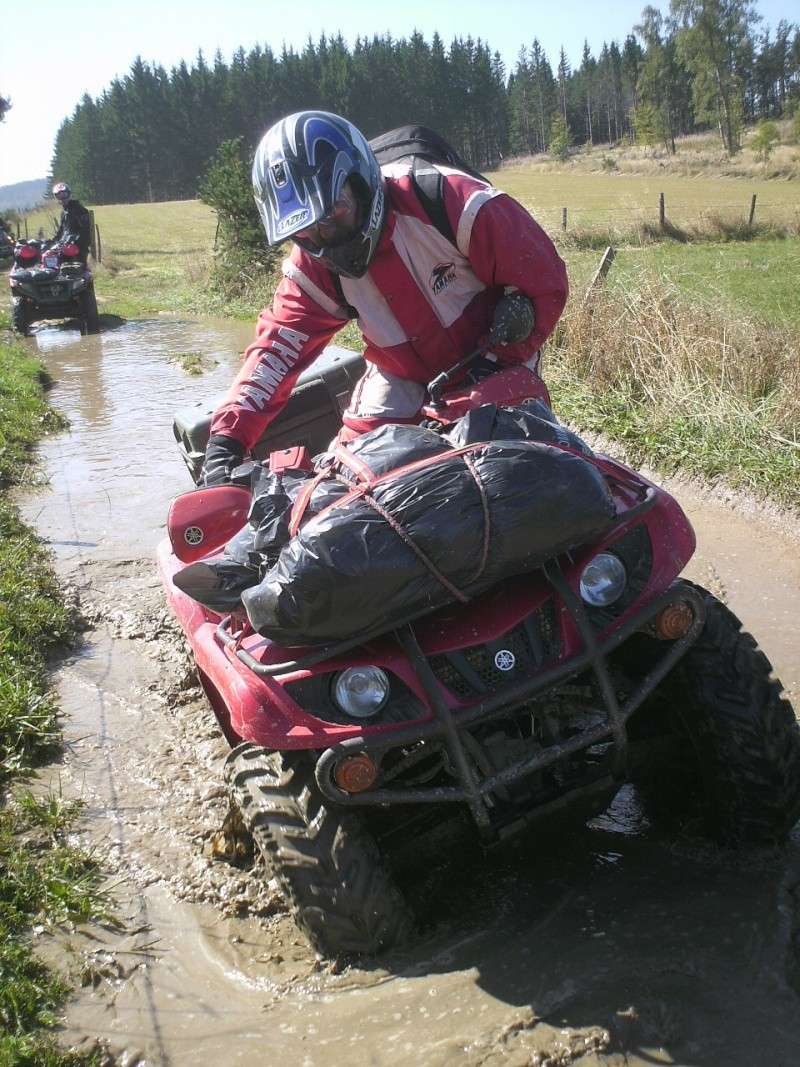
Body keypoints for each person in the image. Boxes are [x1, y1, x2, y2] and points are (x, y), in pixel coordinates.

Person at [202, 111, 569, 486]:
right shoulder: (313, 266)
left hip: (493, 358)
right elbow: (277, 349)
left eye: (332, 214)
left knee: (504, 469)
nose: (323, 235)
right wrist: (226, 441)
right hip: (399, 372)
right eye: (307, 229)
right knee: (344, 479)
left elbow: (542, 281)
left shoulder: (451, 200)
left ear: (360, 181)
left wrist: (496, 359)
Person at [51, 182, 91, 263]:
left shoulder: (80, 210)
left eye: (64, 195)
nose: (62, 199)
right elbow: (61, 231)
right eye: (59, 196)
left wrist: (74, 243)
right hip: (64, 248)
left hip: (77, 249)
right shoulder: (64, 212)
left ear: (69, 194)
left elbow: (85, 231)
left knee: (77, 272)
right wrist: (52, 242)